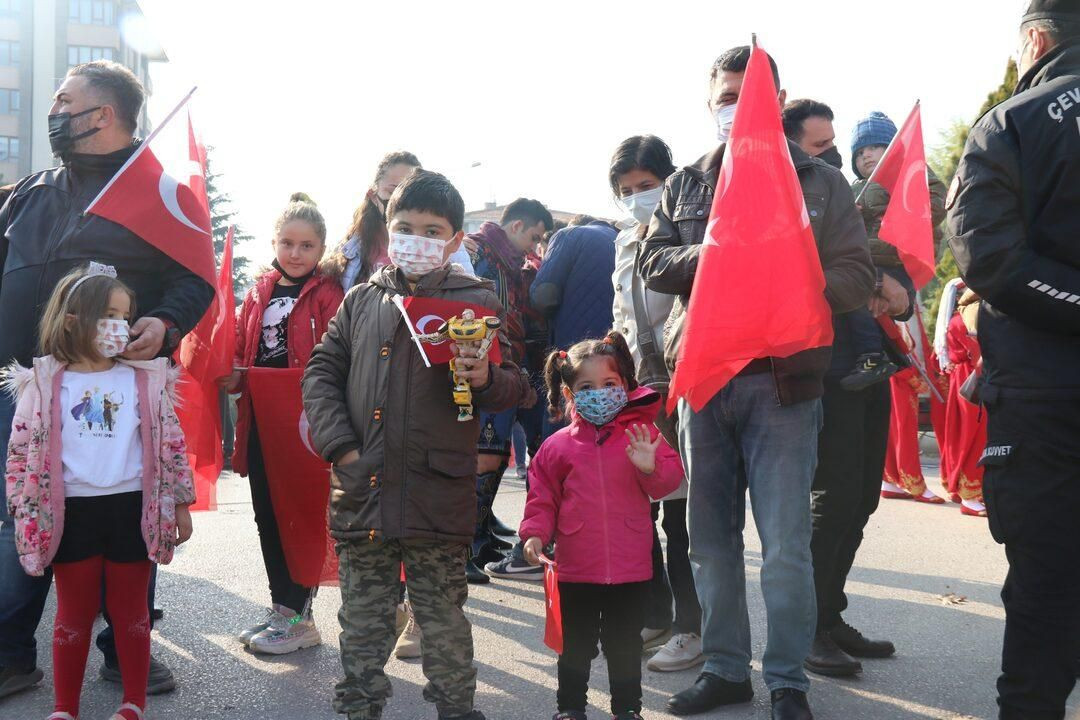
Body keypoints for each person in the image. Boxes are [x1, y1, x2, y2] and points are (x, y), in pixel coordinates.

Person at [639, 46, 874, 720]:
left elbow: (856, 276)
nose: (738, 108)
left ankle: (787, 680)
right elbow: (655, 262)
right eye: (727, 95)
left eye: (754, 95)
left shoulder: (821, 183)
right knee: (709, 542)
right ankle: (724, 668)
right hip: (707, 379)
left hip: (786, 384)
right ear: (709, 102)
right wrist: (719, 251)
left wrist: (785, 274)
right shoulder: (687, 183)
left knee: (785, 544)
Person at [0, 60, 213, 701]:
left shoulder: (160, 192)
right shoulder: (31, 191)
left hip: (109, 395)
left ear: (104, 115)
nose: (54, 110)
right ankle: (12, 655)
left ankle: (126, 651)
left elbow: (194, 278)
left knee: (123, 512)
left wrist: (167, 322)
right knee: (24, 515)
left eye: (66, 100)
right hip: (22, 390)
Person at [302, 169, 523, 720]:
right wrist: (341, 448)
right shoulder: (361, 300)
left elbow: (515, 384)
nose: (417, 240)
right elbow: (320, 374)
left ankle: (456, 709)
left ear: (453, 240)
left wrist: (486, 380)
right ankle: (359, 707)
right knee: (362, 620)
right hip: (363, 490)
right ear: (388, 229)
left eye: (432, 230)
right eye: (406, 227)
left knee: (443, 617)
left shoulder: (475, 302)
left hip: (437, 491)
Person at [948, 3, 1080, 715]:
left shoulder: (1012, 123)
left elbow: (991, 259)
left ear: (1036, 39)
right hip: (1045, 392)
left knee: (1047, 587)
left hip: (1045, 398)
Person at [2, 264, 195, 720]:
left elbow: (171, 444)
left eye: (125, 316)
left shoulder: (144, 380)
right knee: (72, 614)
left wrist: (182, 505)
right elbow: (19, 451)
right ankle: (65, 708)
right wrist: (21, 506)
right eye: (109, 314)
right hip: (71, 515)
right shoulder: (44, 382)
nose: (120, 327)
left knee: (131, 613)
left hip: (131, 511)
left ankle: (132, 703)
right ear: (72, 319)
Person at [519, 332, 682, 720]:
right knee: (574, 646)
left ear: (625, 385)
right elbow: (541, 497)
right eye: (586, 387)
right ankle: (571, 708)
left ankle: (627, 710)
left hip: (632, 568)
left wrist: (649, 466)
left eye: (609, 384)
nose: (600, 393)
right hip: (577, 569)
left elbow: (667, 482)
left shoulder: (642, 435)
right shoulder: (557, 447)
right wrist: (534, 534)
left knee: (624, 646)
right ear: (570, 393)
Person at [224, 196, 344, 654]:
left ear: (321, 248)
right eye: (287, 243)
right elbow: (240, 347)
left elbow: (339, 358)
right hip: (260, 420)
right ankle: (283, 608)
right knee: (266, 515)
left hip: (303, 423)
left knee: (299, 516)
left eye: (307, 245)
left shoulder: (330, 293)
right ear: (274, 242)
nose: (296, 253)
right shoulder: (258, 292)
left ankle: (299, 614)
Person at [606, 134, 703, 672]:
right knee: (639, 510)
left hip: (684, 383)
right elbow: (623, 312)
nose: (639, 196)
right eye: (627, 190)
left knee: (683, 517)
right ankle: (656, 612)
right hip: (637, 391)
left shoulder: (684, 233)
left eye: (648, 186)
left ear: (668, 182)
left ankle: (694, 626)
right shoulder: (622, 240)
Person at [463, 198, 552, 584]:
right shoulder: (476, 252)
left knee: (496, 458)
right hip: (482, 372)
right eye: (533, 236)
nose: (535, 246)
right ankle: (462, 546)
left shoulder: (513, 266)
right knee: (481, 460)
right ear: (516, 226)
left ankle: (479, 538)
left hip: (505, 372)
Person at [333, 152, 474, 291]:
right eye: (393, 191)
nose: (403, 198)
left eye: (431, 232)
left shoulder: (449, 246)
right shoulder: (351, 248)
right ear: (373, 196)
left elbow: (467, 297)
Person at [936, 282, 987, 517]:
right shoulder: (971, 318)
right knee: (974, 438)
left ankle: (959, 487)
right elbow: (979, 353)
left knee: (961, 437)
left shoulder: (957, 318)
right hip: (973, 379)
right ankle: (970, 495)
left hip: (962, 379)